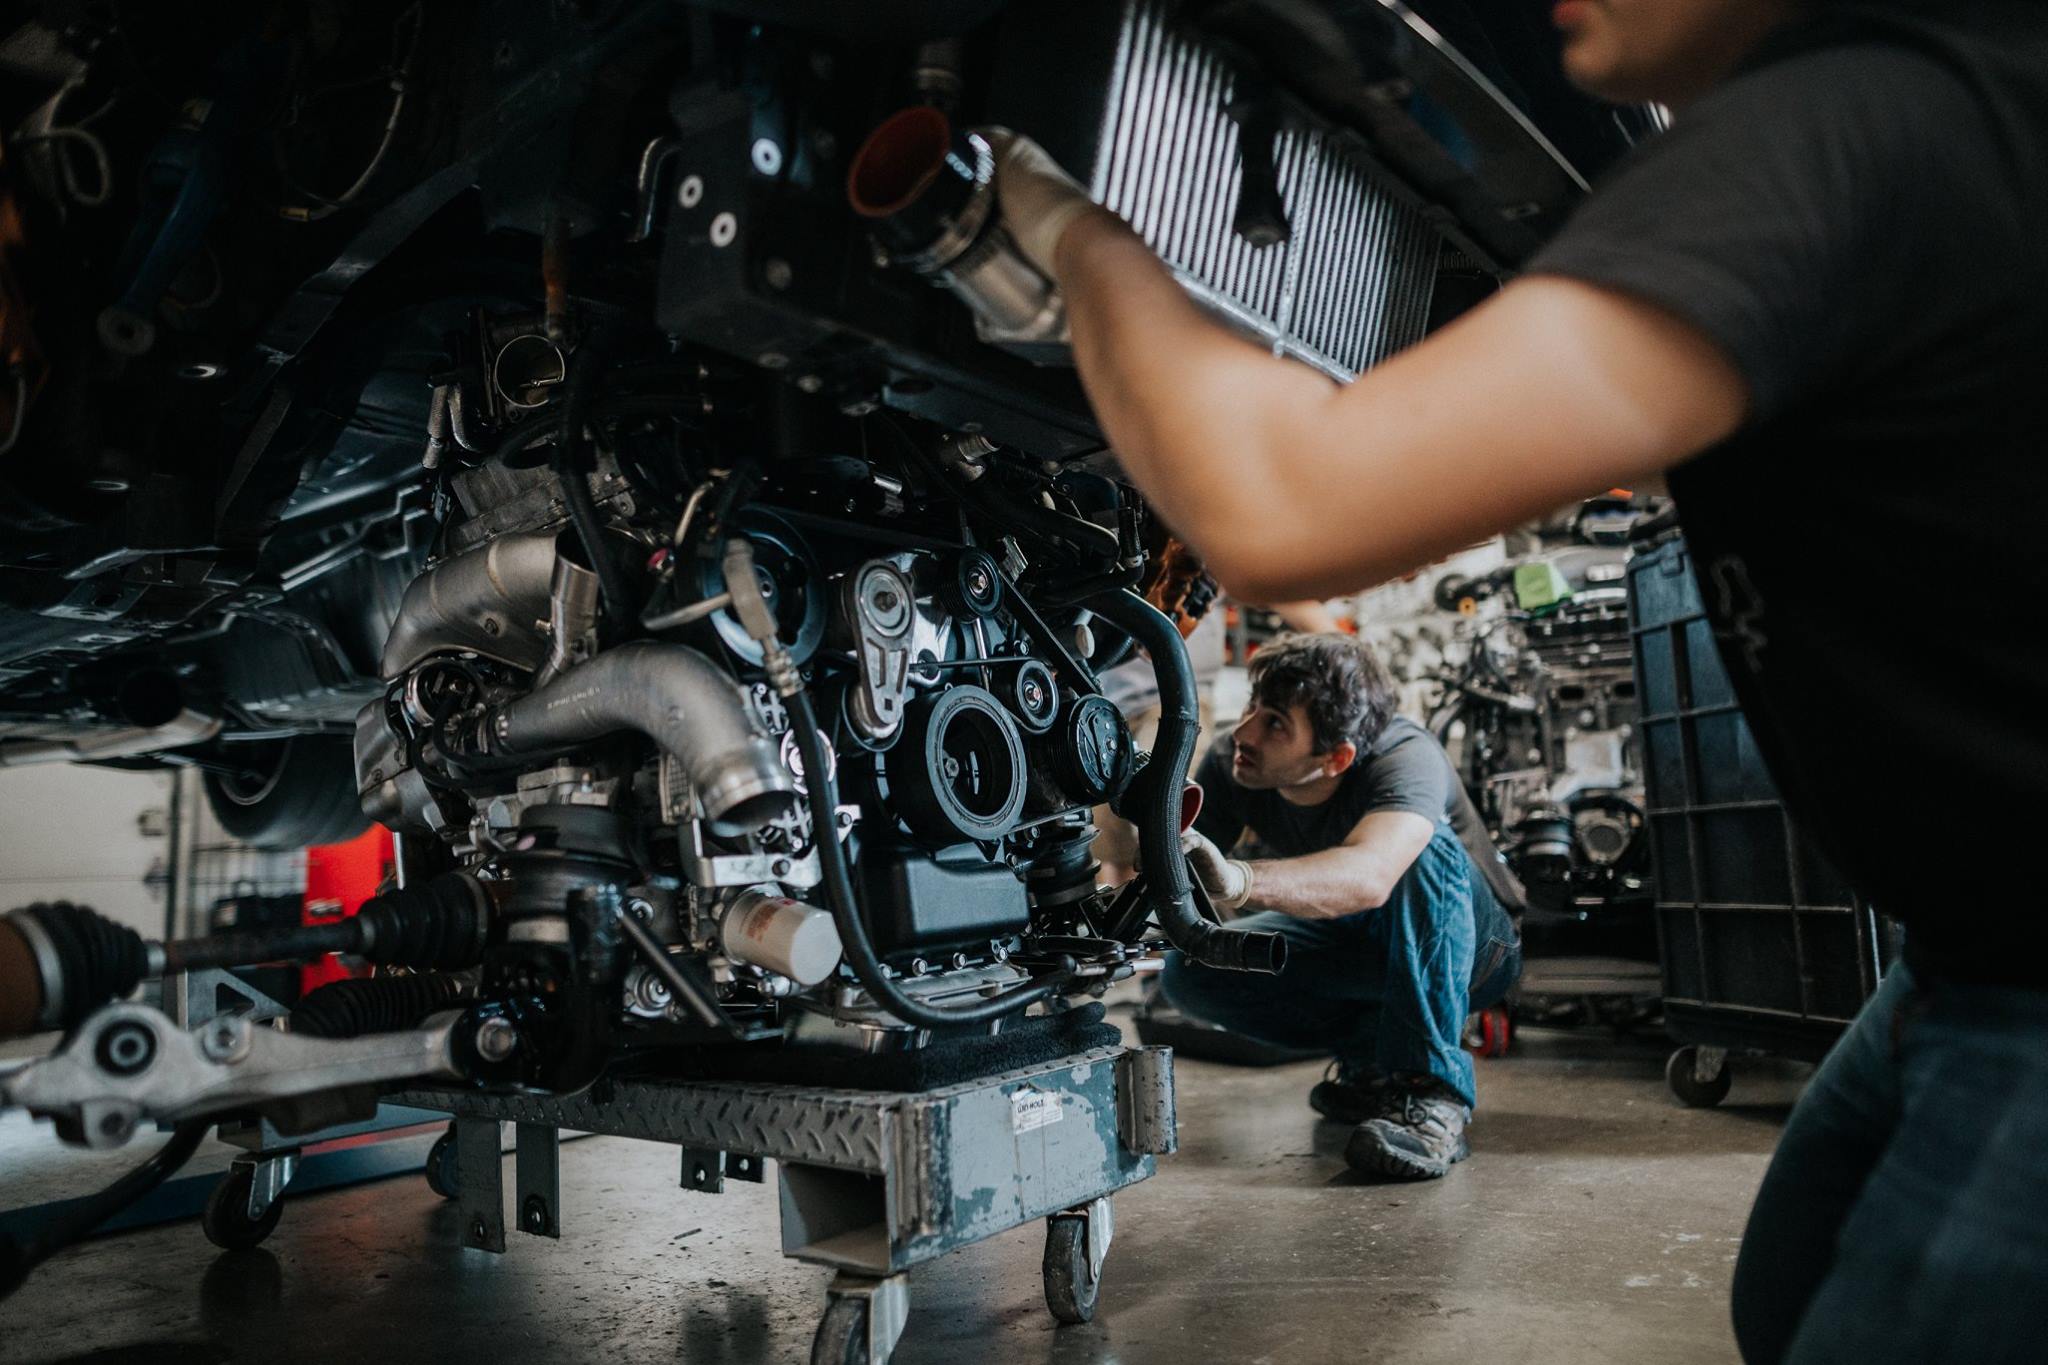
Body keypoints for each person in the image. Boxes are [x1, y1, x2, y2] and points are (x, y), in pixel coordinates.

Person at [984, 1, 2048, 1359]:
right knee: (1787, 1291)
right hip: (1964, 952)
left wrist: (1060, 224)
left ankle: (1422, 1088)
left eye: (1273, 714)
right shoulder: (1935, 115)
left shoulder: (1845, 122)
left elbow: (1280, 502)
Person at [1159, 632, 1523, 1180]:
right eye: (1253, 705)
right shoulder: (1238, 764)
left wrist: (1238, 878)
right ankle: (1375, 1067)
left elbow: (1373, 875)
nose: (1245, 730)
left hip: (1478, 954)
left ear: (1337, 758)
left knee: (1423, 849)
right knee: (1192, 969)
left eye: (1275, 722)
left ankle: (1433, 1095)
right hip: (1360, 937)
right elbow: (1168, 870)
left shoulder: (1405, 757)